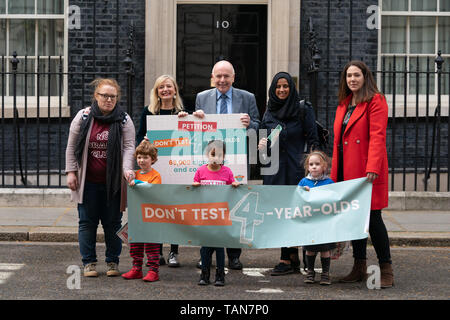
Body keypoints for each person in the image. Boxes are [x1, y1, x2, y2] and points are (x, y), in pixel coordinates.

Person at [331, 60, 393, 288]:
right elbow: (340, 141)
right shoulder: (344, 103)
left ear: (365, 77)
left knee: (373, 219)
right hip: (346, 170)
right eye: (349, 76)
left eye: (356, 75)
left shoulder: (375, 100)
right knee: (354, 219)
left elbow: (378, 136)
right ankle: (359, 266)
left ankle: (386, 269)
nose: (352, 79)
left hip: (366, 171)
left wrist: (373, 168)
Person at [194, 60, 261, 270]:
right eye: (218, 76)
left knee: (234, 207)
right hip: (211, 162)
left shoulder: (247, 97)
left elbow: (258, 125)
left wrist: (250, 124)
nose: (222, 80)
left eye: (226, 76)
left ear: (233, 78)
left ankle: (233, 255)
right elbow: (195, 128)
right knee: (208, 208)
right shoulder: (201, 97)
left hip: (237, 160)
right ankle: (206, 254)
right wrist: (196, 117)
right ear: (212, 77)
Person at [65, 78, 135, 277]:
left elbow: (129, 146)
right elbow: (71, 146)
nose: (108, 100)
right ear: (96, 96)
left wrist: (127, 169)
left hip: (113, 183)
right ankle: (89, 263)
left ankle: (112, 262)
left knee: (113, 223)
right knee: (87, 222)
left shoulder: (123, 119)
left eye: (112, 97)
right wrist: (71, 171)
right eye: (104, 96)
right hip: (88, 182)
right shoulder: (84, 116)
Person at [257, 71, 319, 276]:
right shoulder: (269, 112)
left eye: (285, 86)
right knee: (280, 213)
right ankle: (289, 256)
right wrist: (261, 145)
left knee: (297, 212)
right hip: (274, 171)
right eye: (278, 87)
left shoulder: (303, 110)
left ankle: (295, 257)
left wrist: (313, 168)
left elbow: (313, 140)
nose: (282, 90)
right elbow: (265, 143)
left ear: (291, 89)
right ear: (273, 90)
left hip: (296, 169)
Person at [136, 74, 187, 268]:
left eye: (168, 86)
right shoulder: (148, 112)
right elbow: (139, 136)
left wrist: (186, 118)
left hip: (176, 170)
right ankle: (157, 251)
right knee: (157, 211)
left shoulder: (181, 112)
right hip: (154, 170)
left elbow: (192, 134)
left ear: (175, 90)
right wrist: (145, 139)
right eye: (161, 87)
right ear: (156, 92)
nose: (165, 90)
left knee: (173, 212)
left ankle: (174, 251)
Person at [193, 140, 240, 286]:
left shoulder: (227, 172)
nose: (215, 158)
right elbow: (193, 191)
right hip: (205, 218)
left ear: (224, 156)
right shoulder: (201, 171)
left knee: (219, 249)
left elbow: (232, 189)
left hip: (220, 219)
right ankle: (204, 275)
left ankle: (220, 276)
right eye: (213, 154)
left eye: (219, 155)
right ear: (207, 154)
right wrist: (195, 186)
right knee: (205, 249)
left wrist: (235, 185)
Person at [121, 140, 162, 282]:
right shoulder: (135, 174)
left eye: (145, 157)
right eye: (139, 157)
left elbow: (152, 189)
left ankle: (153, 270)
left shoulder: (156, 176)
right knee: (135, 243)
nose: (141, 160)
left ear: (153, 159)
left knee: (151, 244)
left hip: (151, 215)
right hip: (136, 214)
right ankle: (136, 268)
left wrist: (137, 183)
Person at [298, 150, 335, 285]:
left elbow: (334, 199)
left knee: (325, 249)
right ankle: (310, 272)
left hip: (324, 223)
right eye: (311, 164)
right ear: (307, 167)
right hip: (310, 222)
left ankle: (325, 274)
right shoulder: (303, 182)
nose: (314, 167)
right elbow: (297, 198)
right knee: (310, 249)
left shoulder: (329, 182)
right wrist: (303, 192)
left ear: (324, 166)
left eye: (317, 164)